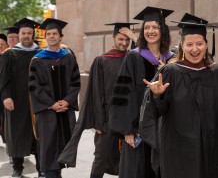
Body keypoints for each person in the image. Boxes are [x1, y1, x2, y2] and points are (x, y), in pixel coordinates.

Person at [142, 13, 218, 178]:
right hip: (178, 153)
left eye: (199, 44)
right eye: (189, 44)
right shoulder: (170, 72)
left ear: (206, 45)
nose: (195, 49)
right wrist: (156, 96)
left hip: (211, 151)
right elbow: (154, 113)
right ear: (182, 46)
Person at [57, 22, 138, 178]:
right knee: (101, 158)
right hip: (107, 120)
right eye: (121, 39)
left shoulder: (133, 58)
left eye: (127, 40)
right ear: (113, 37)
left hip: (129, 119)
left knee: (128, 160)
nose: (124, 43)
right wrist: (98, 123)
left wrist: (135, 37)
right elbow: (96, 94)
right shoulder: (102, 61)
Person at [109, 6, 174, 178]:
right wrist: (128, 130)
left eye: (155, 27)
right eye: (147, 28)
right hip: (139, 130)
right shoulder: (133, 57)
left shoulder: (171, 59)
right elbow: (124, 94)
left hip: (164, 130)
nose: (150, 31)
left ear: (163, 31)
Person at [28, 18, 80, 178]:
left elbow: (76, 82)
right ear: (45, 37)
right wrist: (51, 104)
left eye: (54, 33)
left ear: (60, 36)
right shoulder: (37, 60)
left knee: (63, 149)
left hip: (65, 110)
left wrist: (67, 101)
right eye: (48, 34)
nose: (51, 36)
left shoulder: (69, 57)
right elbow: (34, 87)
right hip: (47, 113)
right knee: (49, 151)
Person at [0, 18, 43, 177]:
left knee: (38, 134)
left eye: (29, 33)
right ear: (19, 35)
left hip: (37, 101)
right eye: (23, 33)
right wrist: (6, 97)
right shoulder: (10, 54)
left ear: (33, 34)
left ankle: (41, 168)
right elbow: (3, 79)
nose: (26, 36)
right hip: (16, 101)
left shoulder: (41, 53)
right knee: (17, 134)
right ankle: (17, 169)